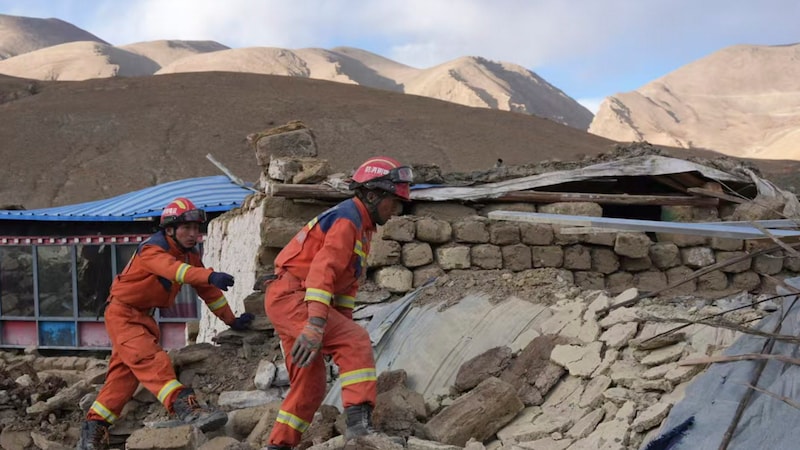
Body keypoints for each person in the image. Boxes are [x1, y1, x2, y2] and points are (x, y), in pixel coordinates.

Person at [78, 197, 255, 450]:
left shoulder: (189, 254)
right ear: (169, 229)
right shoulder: (152, 250)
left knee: (123, 378)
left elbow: (208, 292)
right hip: (123, 314)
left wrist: (232, 320)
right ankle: (185, 406)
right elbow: (174, 271)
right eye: (187, 228)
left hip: (142, 317)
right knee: (151, 359)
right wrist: (209, 274)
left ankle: (93, 430)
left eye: (196, 228)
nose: (194, 234)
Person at [264, 156, 412, 450]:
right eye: (393, 201)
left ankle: (277, 446)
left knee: (311, 383)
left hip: (290, 299)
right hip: (295, 298)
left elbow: (345, 284)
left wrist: (338, 323)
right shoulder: (348, 220)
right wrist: (318, 324)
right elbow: (323, 272)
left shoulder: (362, 226)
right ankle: (359, 429)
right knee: (356, 341)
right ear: (372, 195)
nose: (395, 210)